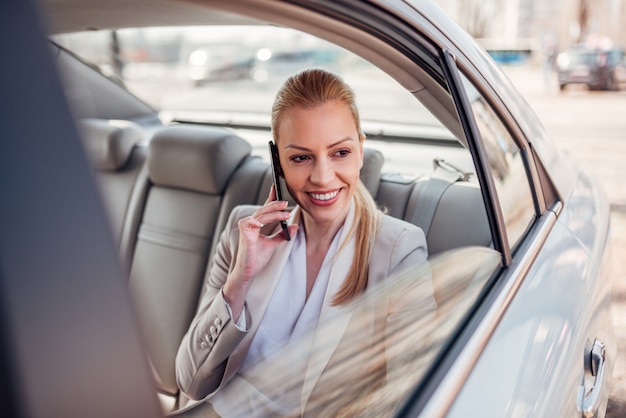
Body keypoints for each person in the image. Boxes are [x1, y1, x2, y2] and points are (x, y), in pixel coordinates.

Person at [175, 68, 434, 415]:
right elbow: (190, 381)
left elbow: (408, 399)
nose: (322, 176)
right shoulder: (244, 231)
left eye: (340, 152)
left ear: (360, 150)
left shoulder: (398, 251)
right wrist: (239, 281)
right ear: (278, 161)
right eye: (300, 157)